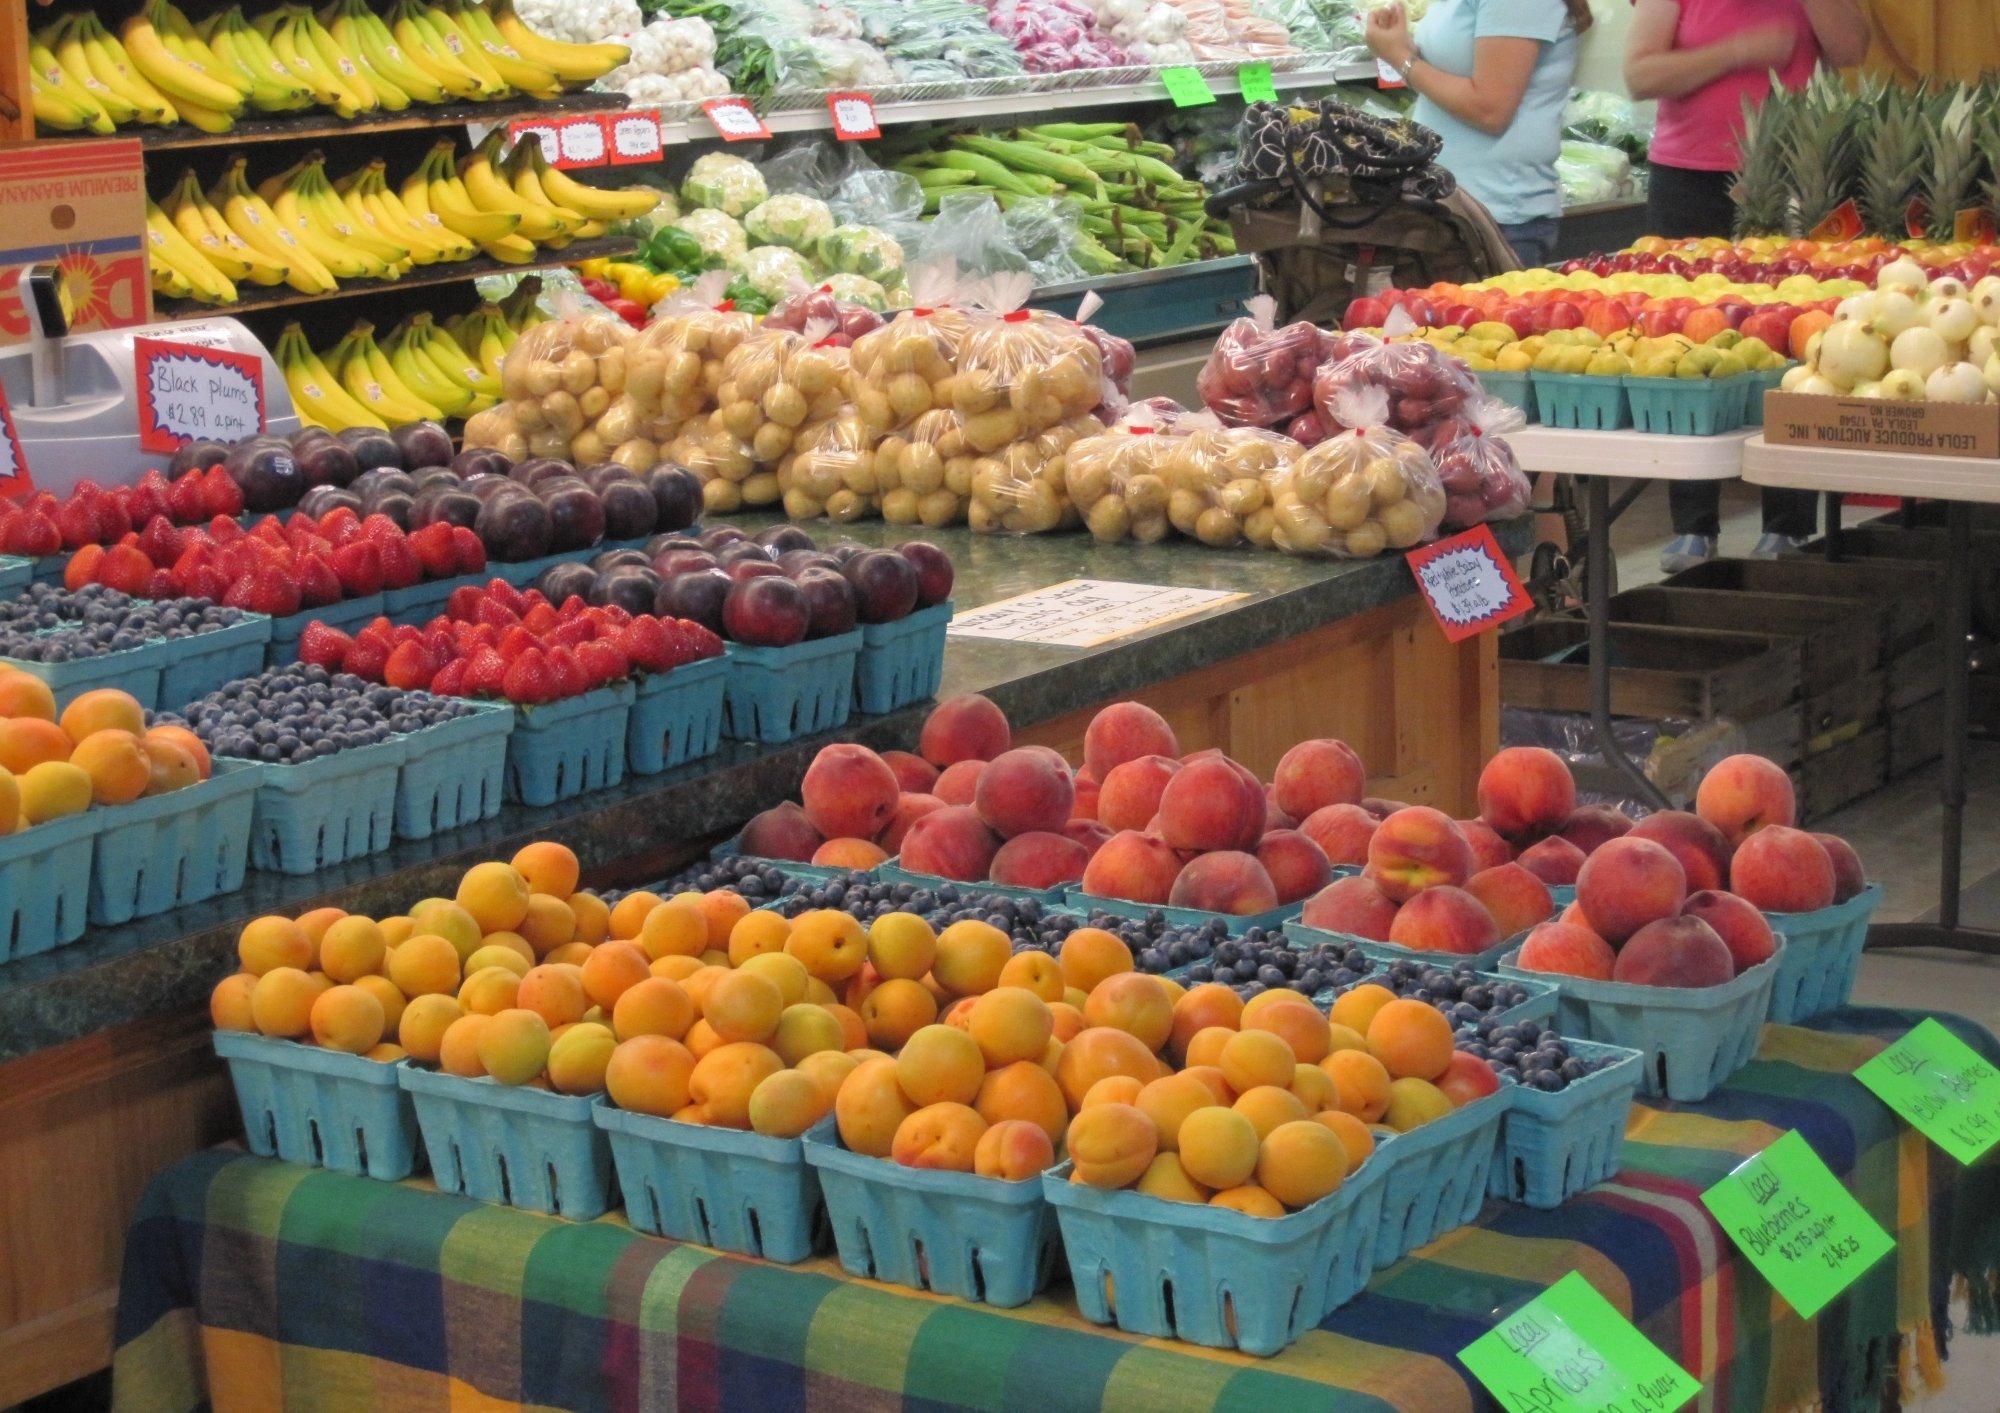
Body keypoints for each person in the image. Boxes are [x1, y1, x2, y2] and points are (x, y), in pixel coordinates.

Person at [1625, 0, 1870, 569]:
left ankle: (1788, 523)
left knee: (1798, 336)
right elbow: (1640, 75)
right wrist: (1736, 53)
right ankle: (1692, 524)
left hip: (1794, 177)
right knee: (1685, 337)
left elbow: (1852, 50)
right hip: (1688, 180)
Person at [1364, 0, 1590, 269]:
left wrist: (1400, 57)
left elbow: (1489, 110)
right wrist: (1404, 48)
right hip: (1450, 208)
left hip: (1494, 218)